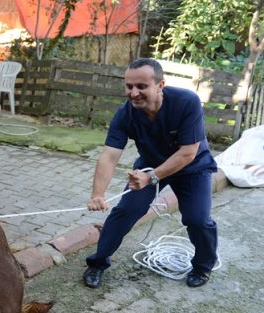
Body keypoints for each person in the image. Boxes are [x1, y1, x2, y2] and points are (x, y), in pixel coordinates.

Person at [83, 58, 218, 288]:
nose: (133, 93)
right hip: (150, 165)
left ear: (160, 85)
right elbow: (109, 155)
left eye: (141, 86)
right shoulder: (125, 114)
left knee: (198, 219)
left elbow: (188, 153)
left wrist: (152, 177)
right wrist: (98, 193)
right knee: (125, 210)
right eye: (129, 86)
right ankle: (97, 263)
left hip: (193, 168)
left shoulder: (187, 102)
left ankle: (203, 267)